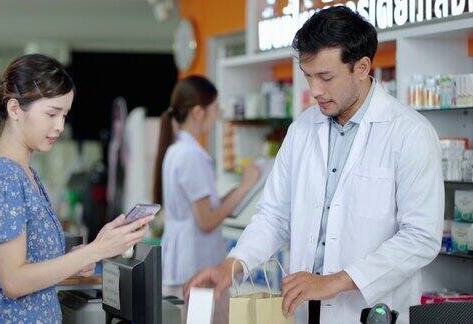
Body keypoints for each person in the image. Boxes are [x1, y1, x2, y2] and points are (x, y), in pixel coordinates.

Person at [185, 7, 443, 324]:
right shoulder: (303, 129)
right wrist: (233, 265)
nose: (315, 90)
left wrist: (337, 280)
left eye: (326, 77)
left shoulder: (409, 133)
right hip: (305, 310)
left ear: (362, 67)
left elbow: (420, 238)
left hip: (370, 311)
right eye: (308, 76)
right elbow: (274, 215)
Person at [0, 54, 154, 323]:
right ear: (15, 109)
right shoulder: (3, 178)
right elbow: (14, 281)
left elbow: (32, 262)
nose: (60, 126)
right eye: (52, 113)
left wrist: (86, 253)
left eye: (64, 115)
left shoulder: (25, 172)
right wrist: (95, 250)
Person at [152, 75, 260, 299]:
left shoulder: (177, 150)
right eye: (215, 109)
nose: (218, 115)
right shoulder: (192, 156)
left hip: (181, 262)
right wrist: (247, 185)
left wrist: (238, 191)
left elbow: (203, 210)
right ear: (198, 113)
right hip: (193, 265)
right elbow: (207, 221)